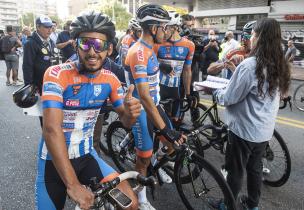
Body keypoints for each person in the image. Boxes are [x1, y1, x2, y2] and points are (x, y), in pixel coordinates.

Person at [35, 11, 140, 210]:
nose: (92, 51)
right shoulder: (56, 74)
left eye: (99, 45)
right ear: (76, 45)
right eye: (85, 43)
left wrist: (131, 113)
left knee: (131, 204)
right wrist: (73, 185)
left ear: (109, 49)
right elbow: (50, 129)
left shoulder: (110, 79)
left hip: (86, 156)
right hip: (52, 162)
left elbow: (126, 122)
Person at [213, 18, 291, 210]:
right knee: (255, 169)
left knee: (235, 171)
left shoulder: (250, 66)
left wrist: (215, 93)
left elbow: (230, 97)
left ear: (259, 38)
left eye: (254, 35)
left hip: (243, 131)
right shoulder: (280, 65)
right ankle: (252, 205)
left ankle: (227, 205)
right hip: (264, 131)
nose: (251, 38)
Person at [125, 4, 186, 210]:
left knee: (172, 144)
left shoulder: (150, 49)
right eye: (164, 27)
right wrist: (165, 129)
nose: (167, 31)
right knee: (143, 158)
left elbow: (152, 74)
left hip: (155, 105)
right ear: (153, 28)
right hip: (142, 110)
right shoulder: (138, 53)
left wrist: (163, 67)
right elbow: (144, 97)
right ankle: (141, 199)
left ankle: (157, 165)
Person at [154, 11, 195, 122]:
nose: (162, 31)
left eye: (164, 28)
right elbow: (147, 63)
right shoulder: (158, 44)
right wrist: (160, 65)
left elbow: (187, 71)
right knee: (158, 121)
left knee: (175, 121)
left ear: (174, 28)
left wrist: (188, 93)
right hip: (159, 88)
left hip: (175, 89)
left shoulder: (189, 45)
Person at [22, 16, 57, 127]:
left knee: (54, 113)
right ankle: (47, 140)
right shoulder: (31, 43)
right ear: (38, 27)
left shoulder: (50, 41)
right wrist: (30, 87)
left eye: (51, 27)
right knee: (45, 116)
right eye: (46, 27)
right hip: (40, 85)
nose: (49, 29)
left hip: (53, 83)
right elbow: (27, 66)